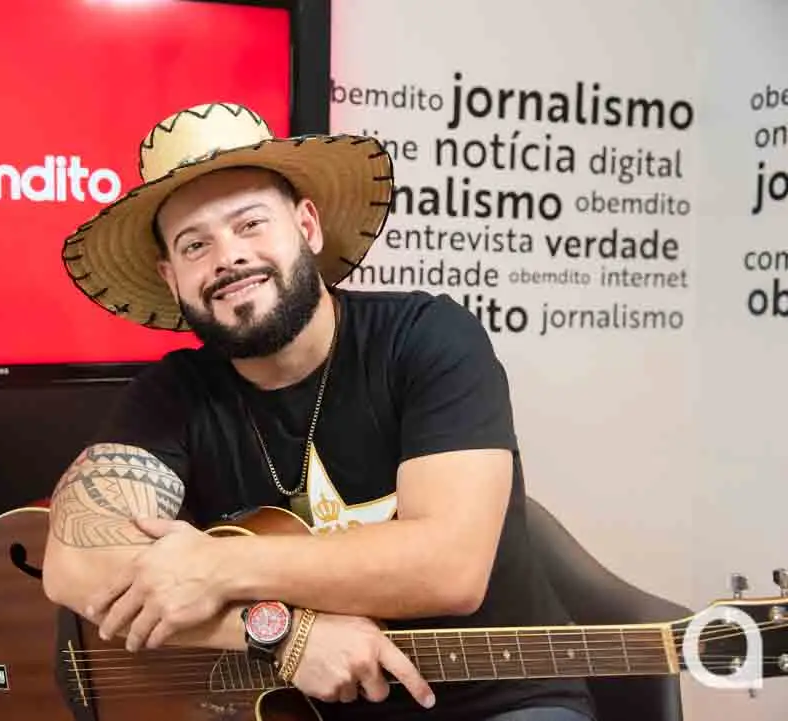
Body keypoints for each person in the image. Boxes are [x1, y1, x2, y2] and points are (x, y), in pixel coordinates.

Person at [41, 102, 597, 721]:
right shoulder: (172, 393)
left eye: (250, 224)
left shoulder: (427, 338)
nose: (227, 257)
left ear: (306, 227)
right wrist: (278, 635)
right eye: (196, 244)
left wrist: (216, 566)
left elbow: (450, 568)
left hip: (497, 702)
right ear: (172, 279)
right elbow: (75, 564)